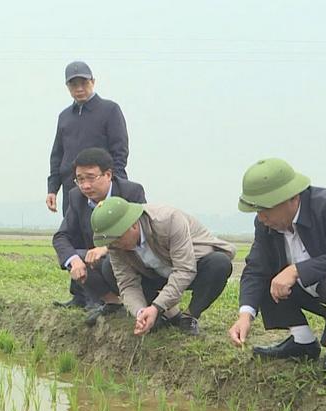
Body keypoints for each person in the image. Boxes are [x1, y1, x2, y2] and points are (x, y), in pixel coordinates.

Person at [227, 158, 326, 370]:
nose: (261, 217)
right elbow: (255, 268)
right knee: (268, 280)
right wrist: (245, 316)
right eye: (256, 209)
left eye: (266, 208)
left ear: (292, 198)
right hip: (311, 289)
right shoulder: (265, 223)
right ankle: (302, 341)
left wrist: (296, 270)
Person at [90, 197, 236, 336]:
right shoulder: (115, 246)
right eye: (111, 242)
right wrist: (140, 312)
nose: (115, 245)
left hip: (191, 267)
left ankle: (189, 316)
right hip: (154, 273)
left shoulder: (169, 220)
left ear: (133, 225)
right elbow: (127, 284)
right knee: (108, 267)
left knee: (219, 264)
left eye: (118, 239)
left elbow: (184, 269)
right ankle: (166, 315)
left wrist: (157, 306)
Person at [51, 148, 145, 321]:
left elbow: (142, 233)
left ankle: (143, 302)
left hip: (131, 260)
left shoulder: (131, 192)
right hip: (98, 263)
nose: (85, 185)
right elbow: (61, 237)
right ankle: (112, 303)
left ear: (108, 175)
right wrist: (73, 260)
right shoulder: (77, 197)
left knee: (110, 261)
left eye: (91, 178)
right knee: (78, 257)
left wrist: (105, 247)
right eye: (80, 179)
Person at [46, 61, 129, 217]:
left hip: (102, 188)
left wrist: (114, 185)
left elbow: (120, 151)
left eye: (84, 83)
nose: (79, 89)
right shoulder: (64, 117)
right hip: (71, 187)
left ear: (93, 82)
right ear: (67, 87)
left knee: (106, 234)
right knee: (73, 235)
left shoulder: (110, 110)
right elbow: (57, 155)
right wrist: (52, 189)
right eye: (73, 85)